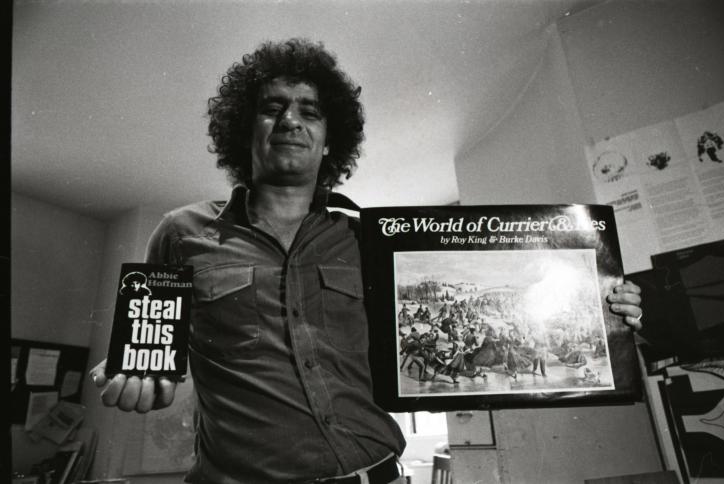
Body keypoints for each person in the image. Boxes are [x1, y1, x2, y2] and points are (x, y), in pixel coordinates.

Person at [89, 38, 644, 484]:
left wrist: (595, 301)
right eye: (272, 108)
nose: (291, 120)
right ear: (245, 127)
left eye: (310, 110)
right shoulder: (181, 232)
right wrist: (146, 378)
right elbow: (150, 355)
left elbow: (520, 288)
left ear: (331, 139)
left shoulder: (371, 239)